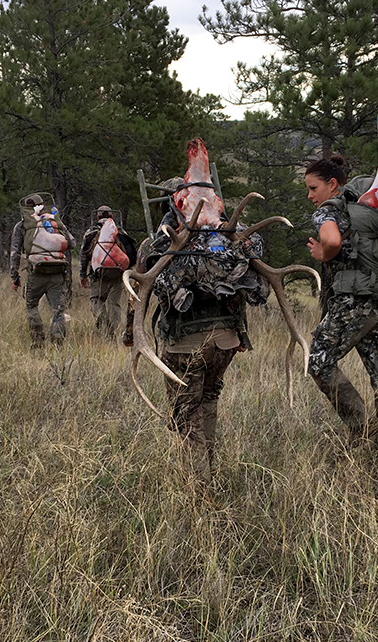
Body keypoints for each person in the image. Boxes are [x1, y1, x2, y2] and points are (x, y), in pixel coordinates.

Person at [127, 173, 262, 483]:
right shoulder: (229, 236)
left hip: (184, 343)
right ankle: (208, 470)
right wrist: (242, 335)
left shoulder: (157, 241)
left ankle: (199, 486)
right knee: (208, 401)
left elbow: (138, 292)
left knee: (186, 413)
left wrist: (130, 333)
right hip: (226, 339)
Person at [304, 155, 378, 447]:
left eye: (313, 188)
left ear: (333, 184)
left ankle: (360, 429)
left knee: (318, 360)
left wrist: (324, 254)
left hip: (354, 303)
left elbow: (331, 241)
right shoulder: (374, 206)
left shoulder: (330, 210)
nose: (310, 196)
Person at [10, 192, 76, 348]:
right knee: (58, 310)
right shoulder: (55, 222)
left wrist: (15, 276)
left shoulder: (22, 225)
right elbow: (72, 243)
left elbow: (15, 252)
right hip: (58, 273)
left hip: (36, 272)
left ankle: (38, 341)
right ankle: (58, 342)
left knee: (32, 305)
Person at [79, 205, 136, 339]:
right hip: (118, 275)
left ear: (97, 217)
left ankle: (103, 325)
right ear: (112, 217)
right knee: (114, 303)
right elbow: (131, 255)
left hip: (98, 275)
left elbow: (84, 256)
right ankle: (112, 331)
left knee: (96, 299)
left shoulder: (90, 233)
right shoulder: (120, 232)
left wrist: (83, 276)